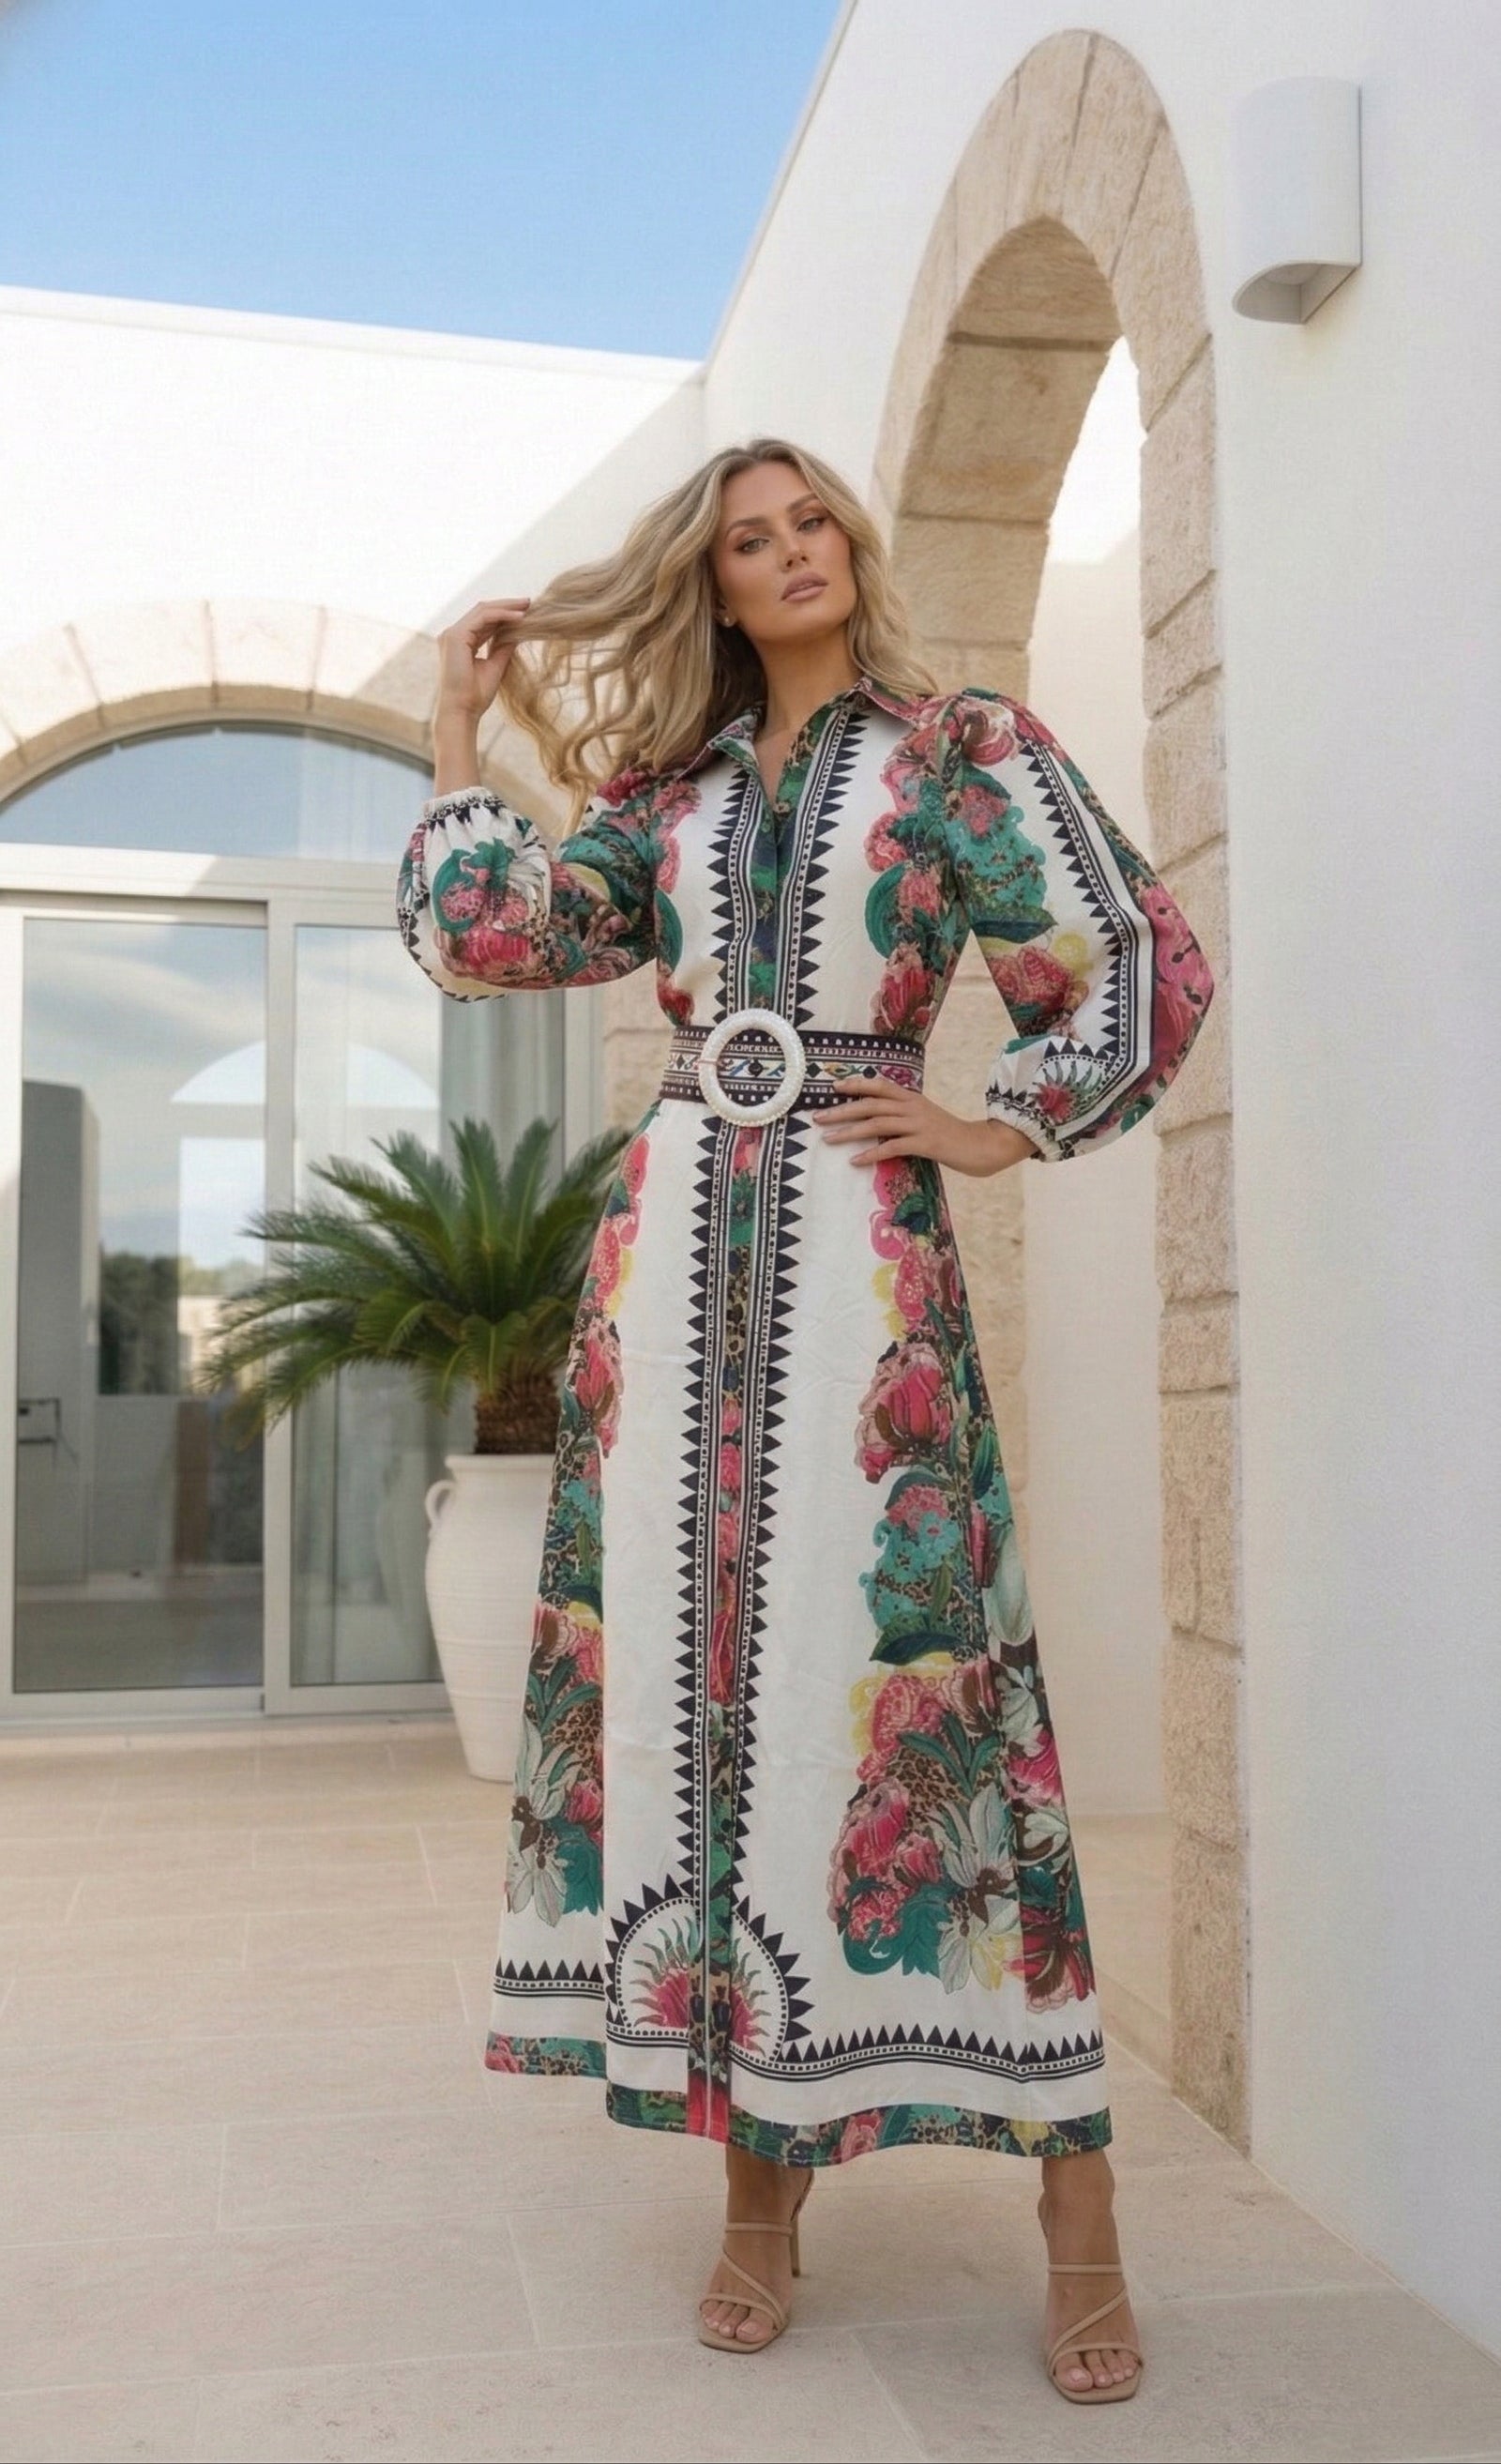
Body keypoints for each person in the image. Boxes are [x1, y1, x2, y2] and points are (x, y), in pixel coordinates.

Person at [397, 436, 1214, 2400]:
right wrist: (455, 728)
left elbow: (1135, 964)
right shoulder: (661, 795)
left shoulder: (958, 751)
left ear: (849, 538)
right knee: (703, 1722)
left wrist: (993, 1125)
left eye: (809, 521)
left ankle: (1078, 2199)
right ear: (712, 582)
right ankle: (754, 2196)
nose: (789, 554)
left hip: (862, 1267)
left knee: (931, 1692)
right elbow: (494, 934)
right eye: (747, 540)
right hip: (667, 1278)